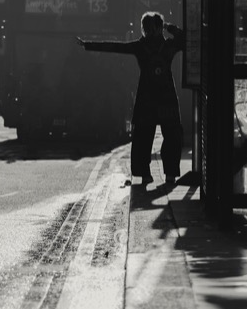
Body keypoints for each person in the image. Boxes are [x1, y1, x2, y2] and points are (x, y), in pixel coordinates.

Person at [77, 11, 185, 186]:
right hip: (166, 97)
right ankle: (170, 173)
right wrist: (168, 27)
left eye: (149, 27)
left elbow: (115, 47)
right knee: (171, 136)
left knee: (144, 137)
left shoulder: (141, 47)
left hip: (147, 97)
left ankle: (146, 174)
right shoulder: (168, 46)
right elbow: (184, 38)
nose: (148, 31)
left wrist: (88, 45)